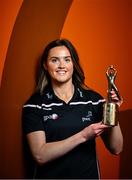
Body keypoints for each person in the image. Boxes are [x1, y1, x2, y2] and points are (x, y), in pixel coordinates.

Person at [22, 39, 123, 179]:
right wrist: (83, 136)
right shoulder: (34, 105)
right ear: (45, 65)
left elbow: (116, 148)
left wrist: (114, 110)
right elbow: (40, 155)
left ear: (73, 64)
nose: (61, 65)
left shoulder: (93, 100)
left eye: (67, 60)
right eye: (54, 60)